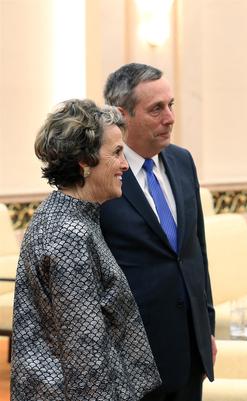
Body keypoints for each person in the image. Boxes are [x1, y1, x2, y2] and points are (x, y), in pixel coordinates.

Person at [10, 99, 161, 400]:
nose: (124, 164)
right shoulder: (69, 234)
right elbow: (85, 359)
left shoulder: (67, 215)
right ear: (84, 161)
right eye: (117, 153)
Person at [100, 63, 216, 401]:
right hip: (134, 357)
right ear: (122, 116)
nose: (170, 117)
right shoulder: (102, 175)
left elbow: (196, 251)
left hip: (191, 350)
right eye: (156, 109)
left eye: (171, 105)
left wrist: (205, 325)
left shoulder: (182, 161)